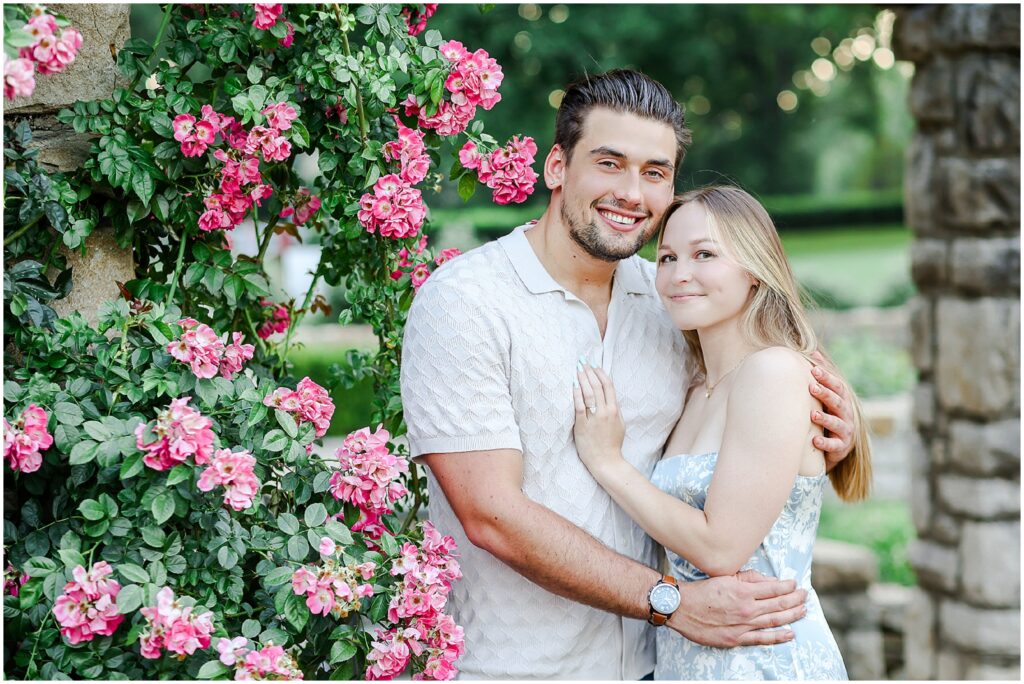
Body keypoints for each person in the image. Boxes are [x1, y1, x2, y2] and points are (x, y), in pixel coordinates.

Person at [400, 69, 860, 679]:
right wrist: (668, 603)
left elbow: (767, 367)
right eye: (610, 163)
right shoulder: (467, 303)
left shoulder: (671, 300)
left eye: (654, 173)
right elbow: (491, 513)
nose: (633, 193)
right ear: (557, 167)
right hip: (519, 666)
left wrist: (832, 421)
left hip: (657, 665)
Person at [571, 185, 872, 679]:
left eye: (704, 254)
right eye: (666, 257)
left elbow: (721, 549)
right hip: (686, 659)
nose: (678, 274)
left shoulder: (772, 371)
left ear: (754, 270)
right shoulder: (695, 390)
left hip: (764, 659)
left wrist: (608, 463)